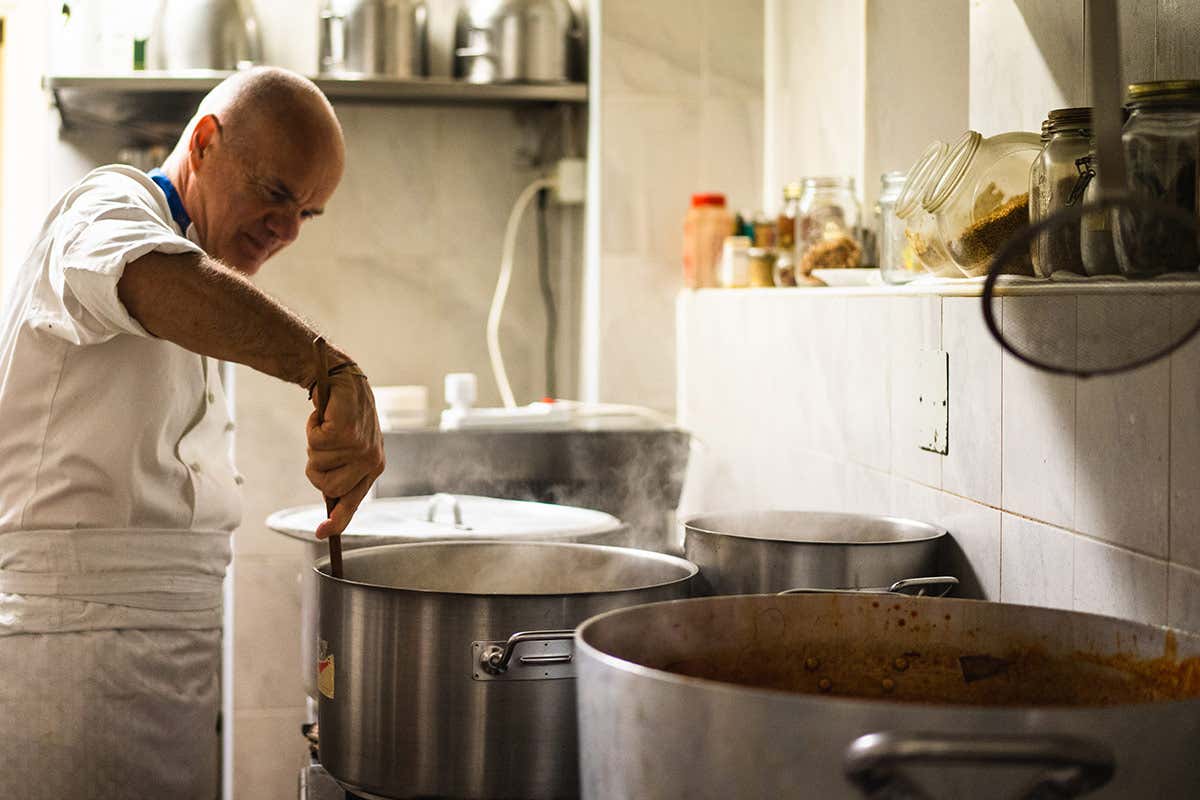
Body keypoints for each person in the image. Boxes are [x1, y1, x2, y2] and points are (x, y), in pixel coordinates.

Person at [0, 67, 384, 798]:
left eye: (310, 212)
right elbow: (142, 273)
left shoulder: (196, 262)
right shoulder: (108, 207)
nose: (288, 229)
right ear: (204, 142)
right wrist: (328, 369)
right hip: (72, 655)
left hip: (159, 654)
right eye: (277, 194)